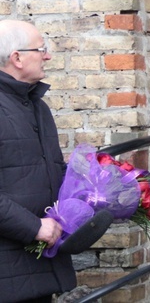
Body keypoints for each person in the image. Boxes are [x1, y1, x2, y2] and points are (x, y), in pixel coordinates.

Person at [0, 19, 76, 301]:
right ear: (16, 57)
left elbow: (49, 171)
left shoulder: (37, 106)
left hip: (38, 269)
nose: (48, 55)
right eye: (41, 49)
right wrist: (34, 227)